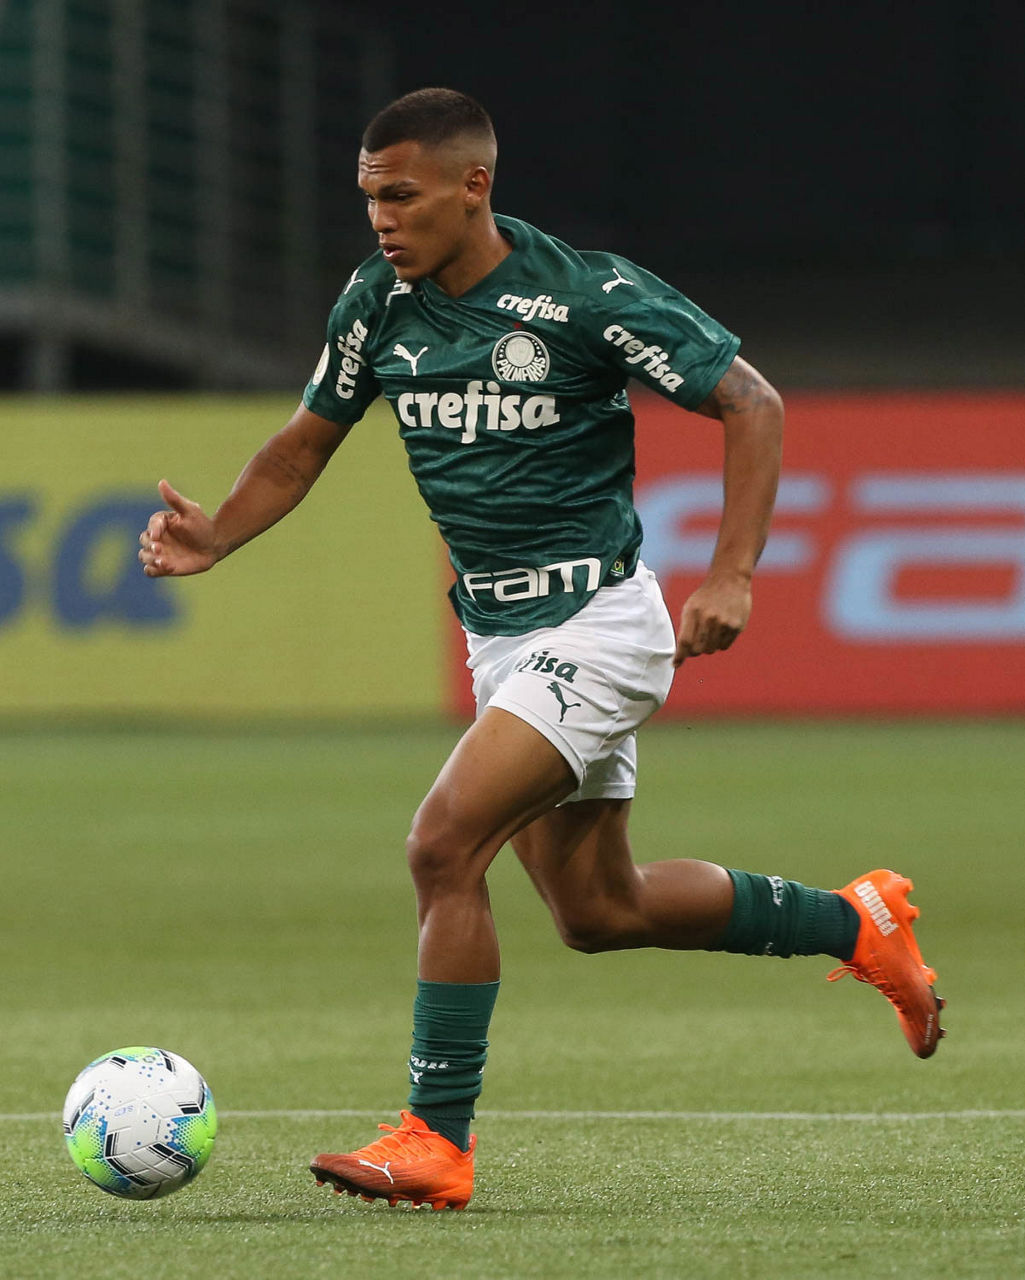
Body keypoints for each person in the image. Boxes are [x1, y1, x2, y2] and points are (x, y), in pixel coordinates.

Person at [139, 87, 944, 1212]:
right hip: (498, 638)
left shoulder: (582, 295)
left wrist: (731, 573)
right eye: (369, 198)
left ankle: (435, 1138)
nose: (381, 220)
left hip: (595, 625)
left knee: (441, 847)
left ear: (473, 186)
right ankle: (854, 922)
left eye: (402, 196)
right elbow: (301, 445)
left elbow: (749, 401)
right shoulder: (377, 301)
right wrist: (218, 532)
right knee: (600, 911)